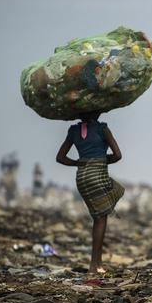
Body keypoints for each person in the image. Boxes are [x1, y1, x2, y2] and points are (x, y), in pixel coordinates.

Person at [56, 111, 124, 274]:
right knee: (102, 218)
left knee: (98, 216)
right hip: (97, 175)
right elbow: (118, 155)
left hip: (82, 178)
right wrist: (101, 160)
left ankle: (96, 263)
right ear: (98, 112)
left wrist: (80, 162)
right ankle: (95, 265)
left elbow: (60, 158)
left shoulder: (73, 131)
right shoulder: (103, 129)